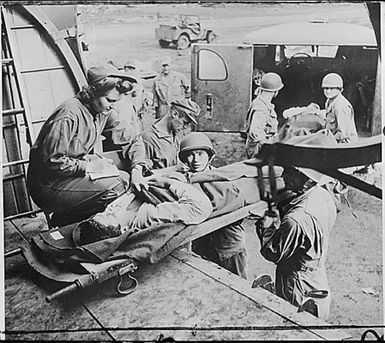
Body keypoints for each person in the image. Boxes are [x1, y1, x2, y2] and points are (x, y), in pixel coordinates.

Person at [27, 64, 148, 227]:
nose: (112, 106)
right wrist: (89, 166)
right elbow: (52, 162)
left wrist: (137, 169)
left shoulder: (103, 112)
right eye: (109, 100)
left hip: (68, 176)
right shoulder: (69, 114)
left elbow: (132, 138)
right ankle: (65, 222)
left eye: (115, 101)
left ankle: (77, 223)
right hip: (47, 185)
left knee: (126, 178)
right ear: (93, 92)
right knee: (117, 184)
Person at [254, 133, 338, 320]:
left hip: (297, 286)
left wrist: (266, 225)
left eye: (291, 172)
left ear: (308, 180)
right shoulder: (324, 196)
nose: (283, 176)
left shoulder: (296, 220)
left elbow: (273, 253)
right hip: (315, 278)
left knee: (293, 326)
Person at [178, 132, 248, 279]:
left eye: (200, 154)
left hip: (229, 246)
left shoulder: (223, 180)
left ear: (209, 157)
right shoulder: (184, 182)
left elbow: (236, 203)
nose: (196, 160)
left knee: (237, 285)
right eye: (190, 155)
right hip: (203, 246)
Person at [141, 99, 201, 170]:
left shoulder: (179, 133)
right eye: (184, 122)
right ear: (174, 114)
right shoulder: (148, 138)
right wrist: (175, 169)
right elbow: (145, 174)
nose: (185, 127)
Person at [244, 72, 284, 158]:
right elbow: (256, 133)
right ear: (276, 91)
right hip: (259, 150)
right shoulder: (261, 108)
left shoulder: (263, 104)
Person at [321, 73, 358, 143]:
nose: (328, 91)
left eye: (332, 88)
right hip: (333, 136)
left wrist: (324, 139)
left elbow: (343, 134)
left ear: (340, 90)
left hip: (344, 142)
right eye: (326, 88)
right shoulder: (330, 101)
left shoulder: (341, 106)